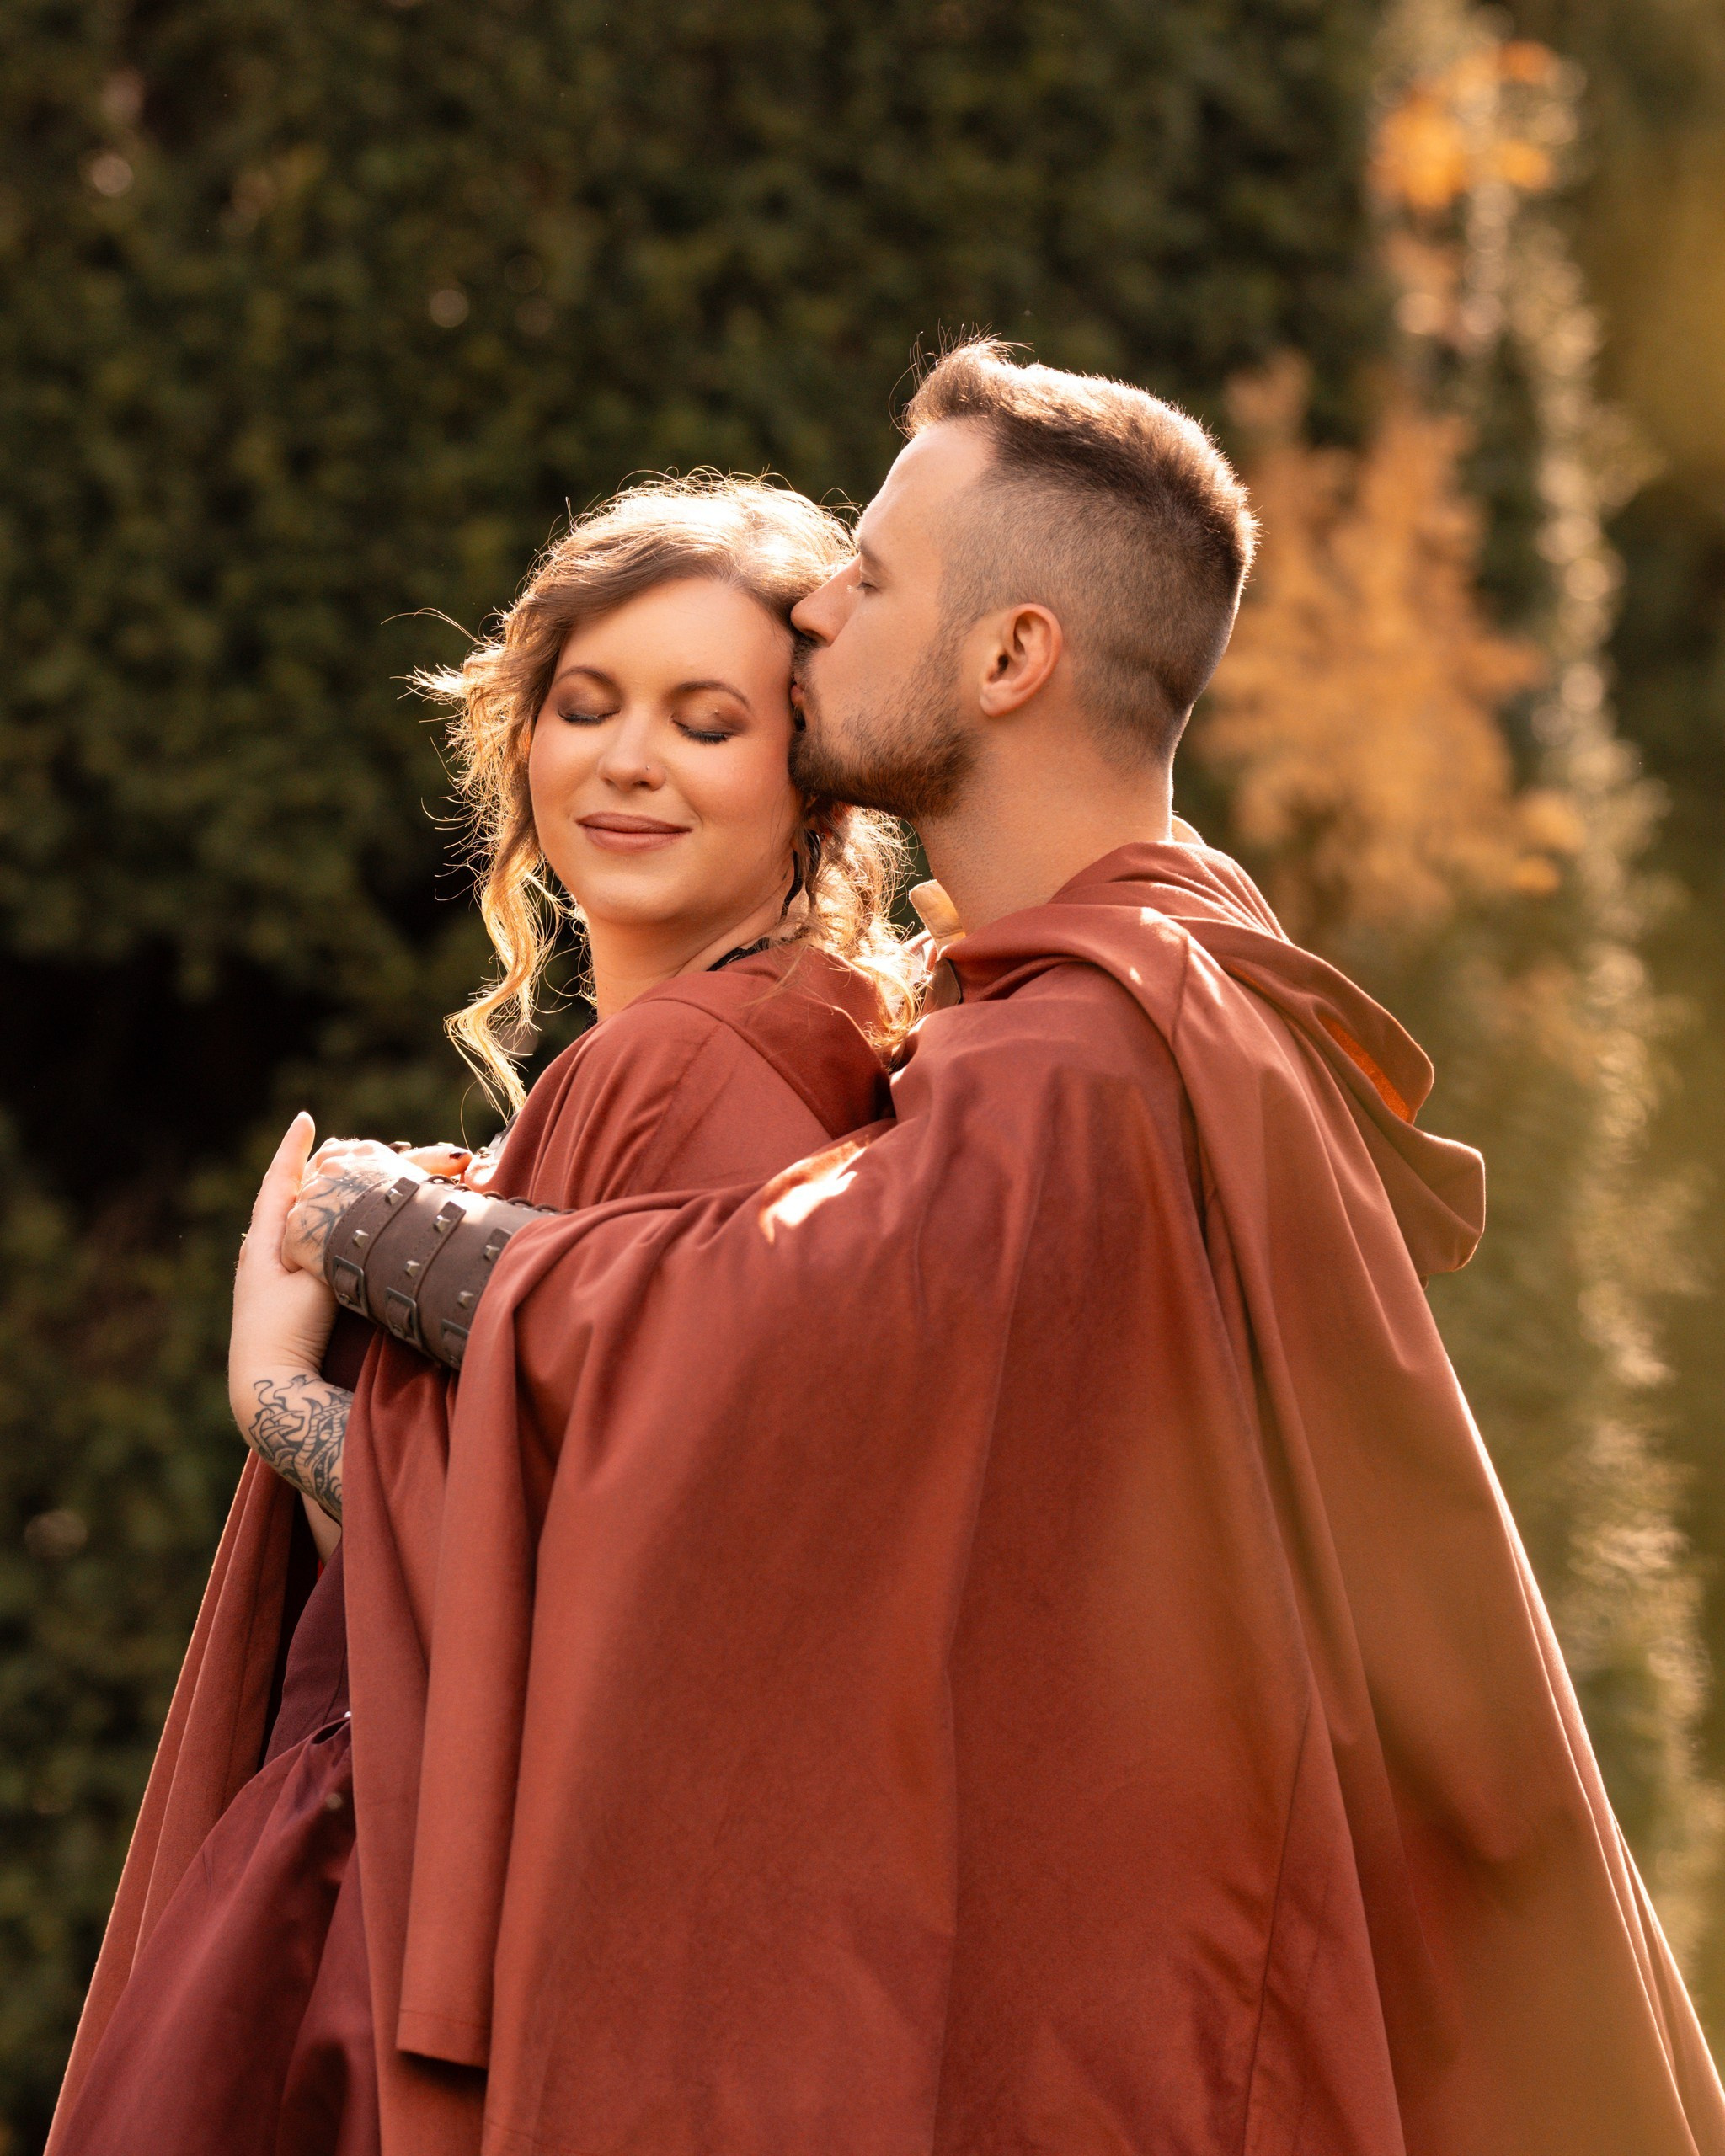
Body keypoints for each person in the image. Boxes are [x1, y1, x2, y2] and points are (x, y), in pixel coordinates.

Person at [250, 339, 1721, 2156]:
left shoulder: (1090, 1061)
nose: (817, 605)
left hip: (1171, 2023)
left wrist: (359, 1234)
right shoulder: (1140, 993)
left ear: (1011, 656)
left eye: (864, 577)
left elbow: (755, 1326)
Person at [47, 477, 916, 2156]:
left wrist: (273, 1387)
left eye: (705, 718)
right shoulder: (729, 1061)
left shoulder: (688, 1068)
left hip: (423, 1935)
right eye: (583, 706)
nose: (625, 759)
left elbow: (599, 1579)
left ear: (810, 778)